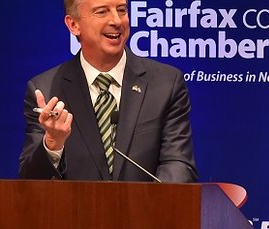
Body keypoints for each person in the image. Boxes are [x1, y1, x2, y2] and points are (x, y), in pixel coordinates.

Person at [19, 0, 198, 182]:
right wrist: (52, 144)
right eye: (102, 12)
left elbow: (178, 166)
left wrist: (145, 208)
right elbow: (30, 183)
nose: (117, 21)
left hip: (147, 209)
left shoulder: (166, 83)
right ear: (73, 25)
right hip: (74, 210)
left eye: (121, 10)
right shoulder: (46, 90)